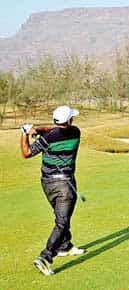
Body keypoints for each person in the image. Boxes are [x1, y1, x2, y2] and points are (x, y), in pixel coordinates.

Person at [20, 105, 86, 276]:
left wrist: (25, 133)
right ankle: (45, 257)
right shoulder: (75, 132)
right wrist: (37, 130)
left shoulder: (47, 138)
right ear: (69, 120)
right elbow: (56, 130)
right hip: (65, 186)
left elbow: (26, 153)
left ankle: (65, 246)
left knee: (61, 216)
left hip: (47, 184)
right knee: (62, 221)